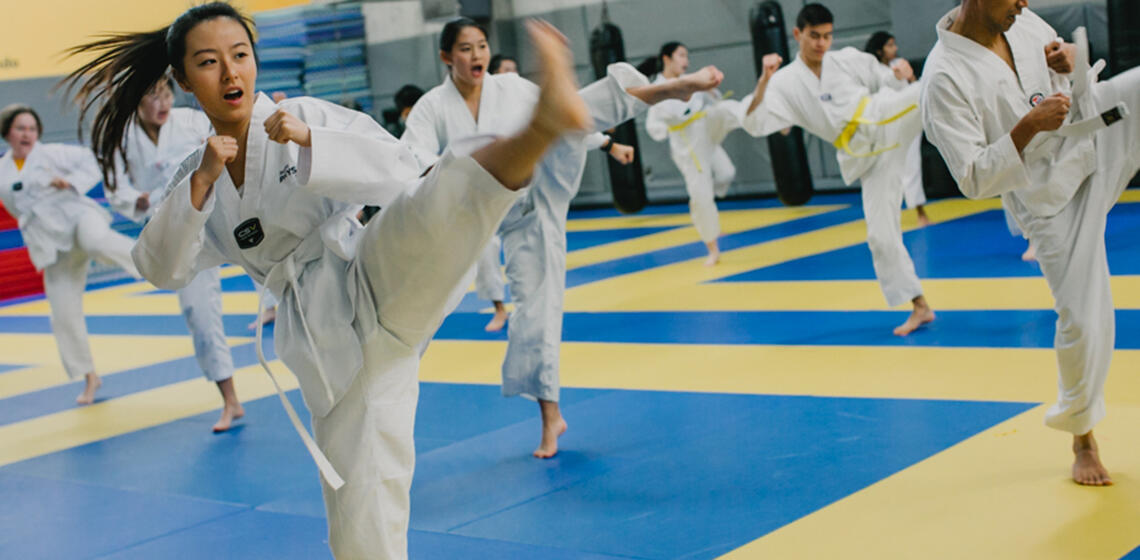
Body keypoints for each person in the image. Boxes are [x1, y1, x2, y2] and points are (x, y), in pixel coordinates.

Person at [65, 4, 603, 557]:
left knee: (442, 194)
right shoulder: (194, 174)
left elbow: (404, 168)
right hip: (327, 345)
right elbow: (160, 266)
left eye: (240, 56)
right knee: (361, 526)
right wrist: (201, 183)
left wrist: (309, 141)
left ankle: (543, 124)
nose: (230, 74)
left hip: (366, 265)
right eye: (208, 62)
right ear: (182, 80)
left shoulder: (299, 112)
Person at [401, 17, 723, 458]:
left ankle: (665, 88)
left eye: (481, 46)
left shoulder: (511, 88)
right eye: (465, 48)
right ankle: (396, 389)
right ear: (445, 56)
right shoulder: (431, 108)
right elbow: (413, 158)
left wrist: (608, 144)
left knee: (567, 113)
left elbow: (570, 115)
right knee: (519, 317)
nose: (477, 55)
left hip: (539, 193)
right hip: (482, 208)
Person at [921, 0, 1139, 486]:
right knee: (1084, 317)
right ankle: (1082, 434)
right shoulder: (943, 78)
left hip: (1092, 138)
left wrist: (1071, 62)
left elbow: (1072, 85)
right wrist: (1026, 129)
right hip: (1047, 197)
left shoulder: (1022, 22)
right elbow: (973, 177)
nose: (1024, 3)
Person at [741, 3, 935, 336]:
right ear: (797, 34)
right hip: (865, 156)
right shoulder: (784, 82)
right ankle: (920, 307)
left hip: (883, 119)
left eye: (827, 36)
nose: (821, 44)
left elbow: (886, 78)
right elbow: (753, 122)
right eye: (814, 36)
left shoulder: (846, 59)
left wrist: (901, 73)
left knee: (929, 90)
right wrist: (763, 80)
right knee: (880, 237)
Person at [104, 76, 244, 432]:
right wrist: (134, 200)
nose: (162, 103)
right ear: (137, 102)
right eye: (152, 96)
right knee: (199, 311)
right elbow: (115, 187)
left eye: (165, 94)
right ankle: (230, 398)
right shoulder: (123, 137)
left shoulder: (192, 120)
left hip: (221, 210)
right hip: (177, 229)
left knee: (271, 254)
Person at [0, 104, 141, 405]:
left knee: (96, 241)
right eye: (20, 128)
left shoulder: (53, 154)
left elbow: (92, 160)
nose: (27, 134)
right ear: (7, 133)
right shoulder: (3, 170)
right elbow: (16, 207)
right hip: (49, 242)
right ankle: (89, 375)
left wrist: (71, 182)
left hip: (77, 216)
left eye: (32, 128)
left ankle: (149, 261)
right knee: (63, 314)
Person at [645, 41, 741, 265]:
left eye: (687, 56)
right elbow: (656, 126)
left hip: (706, 132)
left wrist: (708, 86)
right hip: (688, 147)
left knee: (726, 173)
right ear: (667, 59)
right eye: (681, 56)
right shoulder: (658, 87)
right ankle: (712, 248)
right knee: (701, 197)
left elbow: (713, 99)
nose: (686, 61)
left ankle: (758, 114)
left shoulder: (690, 81)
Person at [865, 30, 930, 227]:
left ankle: (920, 212)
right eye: (889, 45)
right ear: (879, 50)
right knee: (883, 172)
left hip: (907, 121)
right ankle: (886, 215)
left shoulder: (899, 65)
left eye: (894, 44)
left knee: (912, 165)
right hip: (885, 125)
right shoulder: (873, 71)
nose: (895, 49)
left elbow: (915, 87)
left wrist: (909, 77)